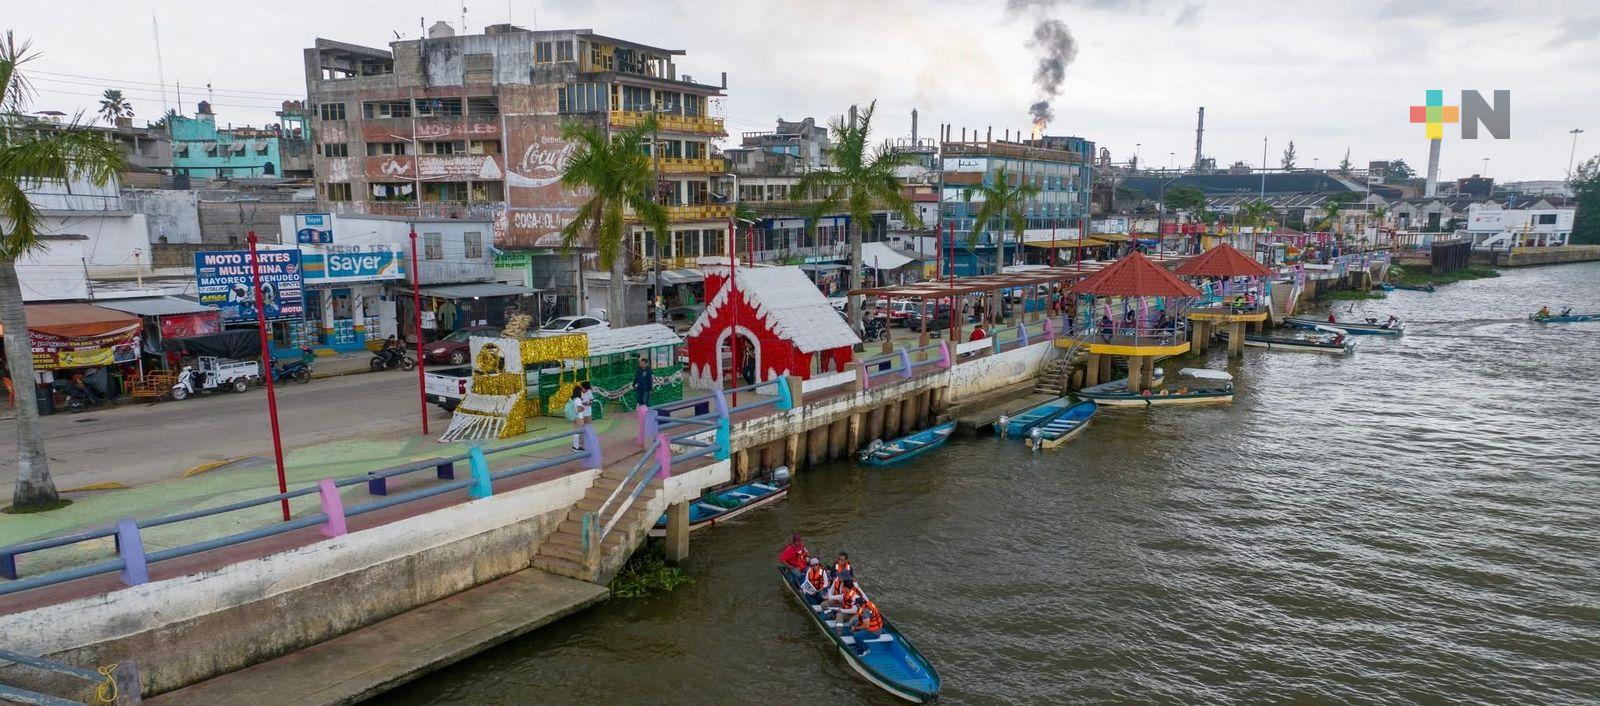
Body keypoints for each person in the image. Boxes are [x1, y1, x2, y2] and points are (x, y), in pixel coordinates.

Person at [570, 381, 593, 451]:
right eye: (584, 389)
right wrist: (583, 405)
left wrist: (589, 402)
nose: (585, 390)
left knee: (584, 429)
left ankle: (577, 446)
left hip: (586, 414)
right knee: (579, 431)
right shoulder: (578, 398)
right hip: (580, 417)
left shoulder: (588, 392)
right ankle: (577, 446)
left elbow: (592, 400)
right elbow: (579, 408)